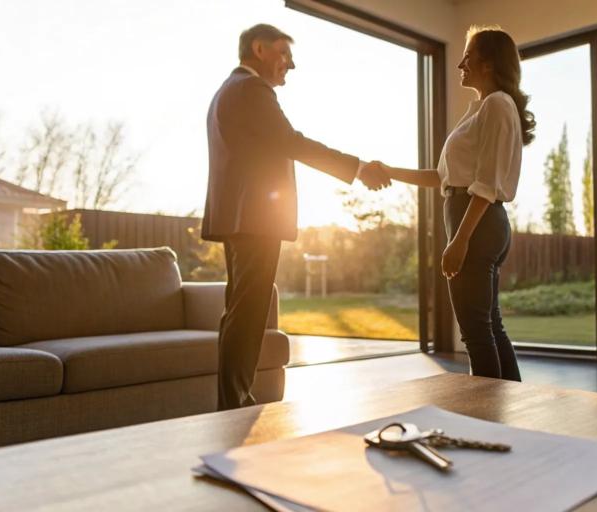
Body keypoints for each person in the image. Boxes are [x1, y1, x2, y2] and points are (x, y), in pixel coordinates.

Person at [201, 24, 391, 410]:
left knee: (241, 310)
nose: (291, 63)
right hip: (255, 218)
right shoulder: (251, 89)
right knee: (249, 312)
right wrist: (356, 168)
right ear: (259, 49)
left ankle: (236, 398)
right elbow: (291, 141)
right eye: (284, 53)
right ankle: (233, 404)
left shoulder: (227, 90)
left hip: (239, 218)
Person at [381, 25, 535, 381]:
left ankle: (486, 424)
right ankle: (508, 414)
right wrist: (390, 171)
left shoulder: (497, 105)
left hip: (476, 223)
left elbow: (484, 183)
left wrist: (459, 239)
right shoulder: (485, 108)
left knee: (476, 332)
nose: (461, 63)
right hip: (478, 220)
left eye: (468, 55)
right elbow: (443, 176)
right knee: (489, 325)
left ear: (488, 63)